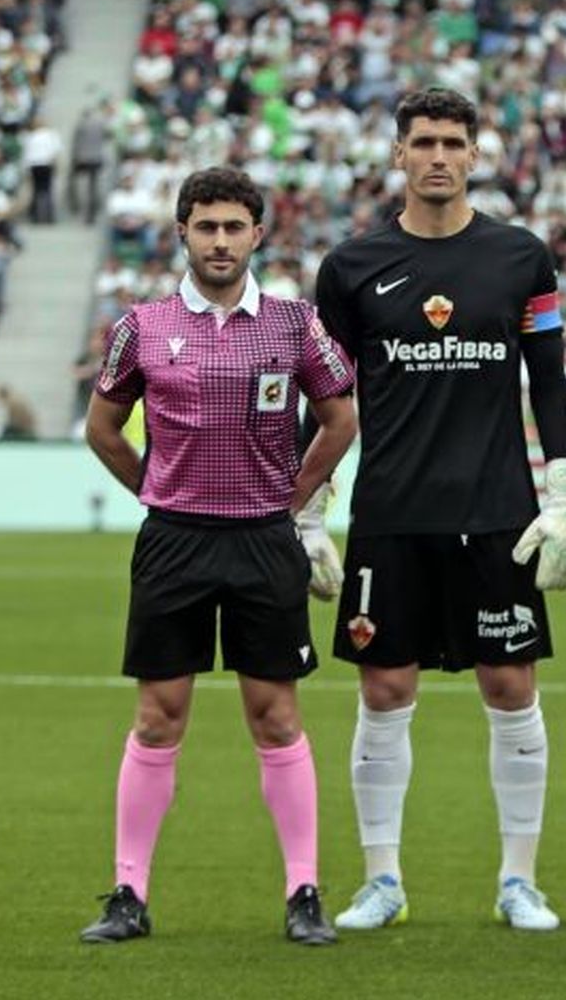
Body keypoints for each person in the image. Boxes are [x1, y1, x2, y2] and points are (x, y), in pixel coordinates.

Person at [315, 87, 566, 933]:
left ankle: (518, 881)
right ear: (398, 154)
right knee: (385, 687)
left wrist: (565, 493)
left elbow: (547, 378)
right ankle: (382, 881)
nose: (438, 156)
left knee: (510, 686)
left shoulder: (520, 259)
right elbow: (324, 396)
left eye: (453, 142)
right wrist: (307, 505)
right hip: (390, 513)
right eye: (423, 141)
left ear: (476, 155)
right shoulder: (349, 269)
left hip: (497, 511)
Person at [78, 167, 358, 945]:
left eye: (235, 227)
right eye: (207, 227)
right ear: (183, 233)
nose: (221, 241)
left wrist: (295, 499)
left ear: (258, 234)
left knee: (275, 716)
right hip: (174, 539)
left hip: (263, 540)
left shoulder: (295, 323)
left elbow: (340, 420)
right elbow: (102, 428)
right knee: (159, 716)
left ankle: (304, 892)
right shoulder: (143, 324)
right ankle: (128, 895)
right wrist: (154, 488)